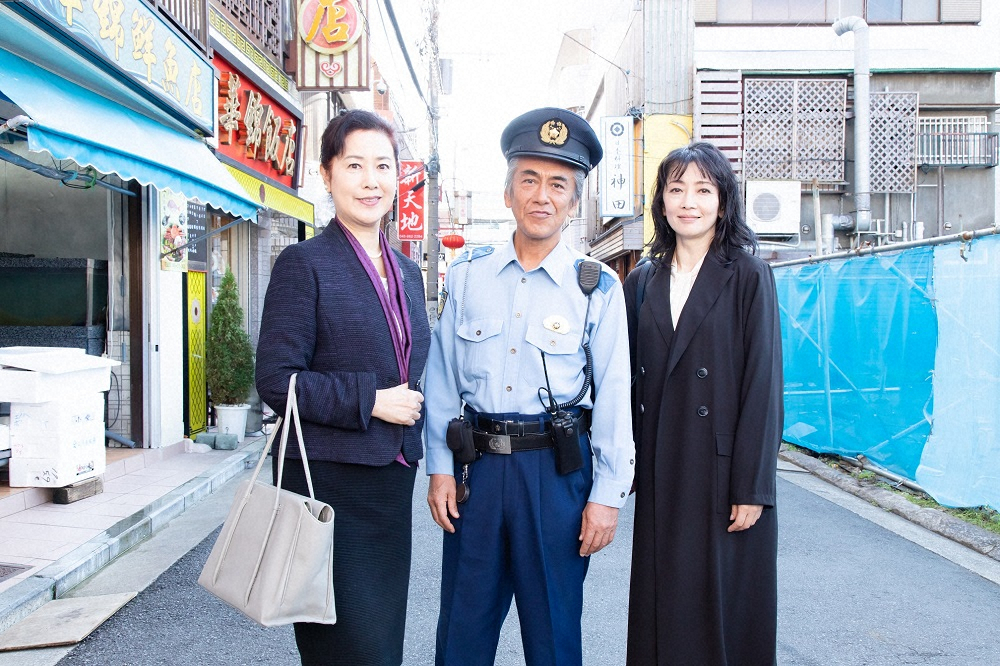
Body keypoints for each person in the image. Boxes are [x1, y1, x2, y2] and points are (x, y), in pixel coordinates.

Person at [424, 107, 635, 666]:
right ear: (508, 191)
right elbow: (443, 377)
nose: (542, 195)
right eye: (530, 179)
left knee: (554, 638)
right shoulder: (468, 274)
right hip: (478, 473)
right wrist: (440, 468)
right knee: (462, 633)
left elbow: (614, 398)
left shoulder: (598, 288)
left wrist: (607, 498)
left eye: (558, 184)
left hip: (557, 477)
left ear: (574, 200)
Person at [255, 109, 430, 666]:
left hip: (388, 486)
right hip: (327, 484)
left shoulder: (407, 271)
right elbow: (276, 380)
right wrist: (372, 400)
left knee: (382, 644)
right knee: (344, 648)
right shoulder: (302, 263)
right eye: (354, 165)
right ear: (327, 175)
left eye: (383, 166)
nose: (371, 180)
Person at [623, 141, 784, 665]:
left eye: (702, 189)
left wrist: (752, 486)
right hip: (660, 467)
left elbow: (763, 384)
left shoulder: (747, 274)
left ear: (723, 200)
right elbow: (623, 381)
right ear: (661, 203)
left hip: (722, 475)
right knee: (661, 604)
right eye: (676, 189)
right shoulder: (643, 280)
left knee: (724, 612)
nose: (688, 201)